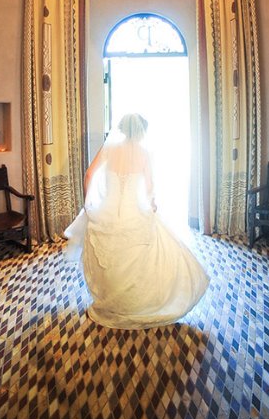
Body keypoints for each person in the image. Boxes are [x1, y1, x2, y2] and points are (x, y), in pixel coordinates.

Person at [63, 113, 209, 329]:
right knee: (138, 257)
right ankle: (136, 304)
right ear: (141, 132)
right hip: (134, 211)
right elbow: (150, 185)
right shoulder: (144, 153)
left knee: (112, 260)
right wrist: (152, 203)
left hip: (108, 211)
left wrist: (88, 203)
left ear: (121, 130)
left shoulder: (109, 149)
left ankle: (114, 301)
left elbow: (89, 175)